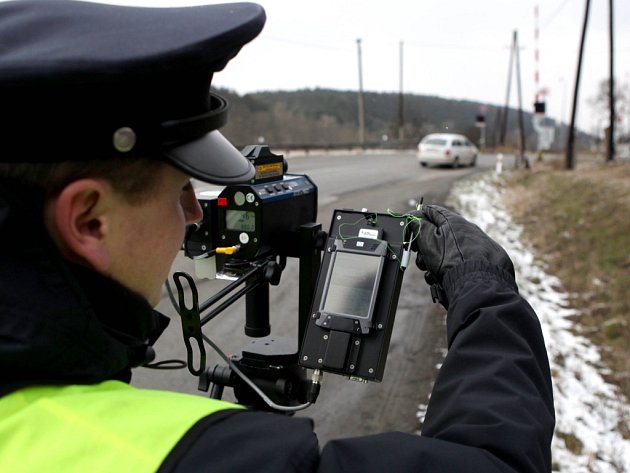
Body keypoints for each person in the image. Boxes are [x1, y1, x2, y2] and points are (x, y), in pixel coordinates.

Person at [0, 1, 554, 472]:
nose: (195, 216)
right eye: (180, 193)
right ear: (89, 220)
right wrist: (487, 297)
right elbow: (494, 461)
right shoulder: (197, 455)